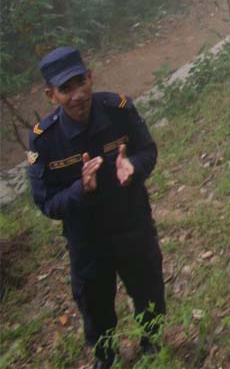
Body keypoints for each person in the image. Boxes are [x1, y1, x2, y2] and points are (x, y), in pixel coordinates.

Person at [28, 47, 165, 368]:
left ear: (90, 77)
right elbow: (46, 202)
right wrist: (79, 191)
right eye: (66, 89)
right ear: (51, 95)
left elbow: (147, 151)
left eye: (81, 83)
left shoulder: (118, 109)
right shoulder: (44, 141)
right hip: (87, 241)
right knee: (95, 304)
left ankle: (152, 343)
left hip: (132, 223)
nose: (77, 95)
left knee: (148, 288)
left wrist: (134, 167)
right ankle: (106, 355)